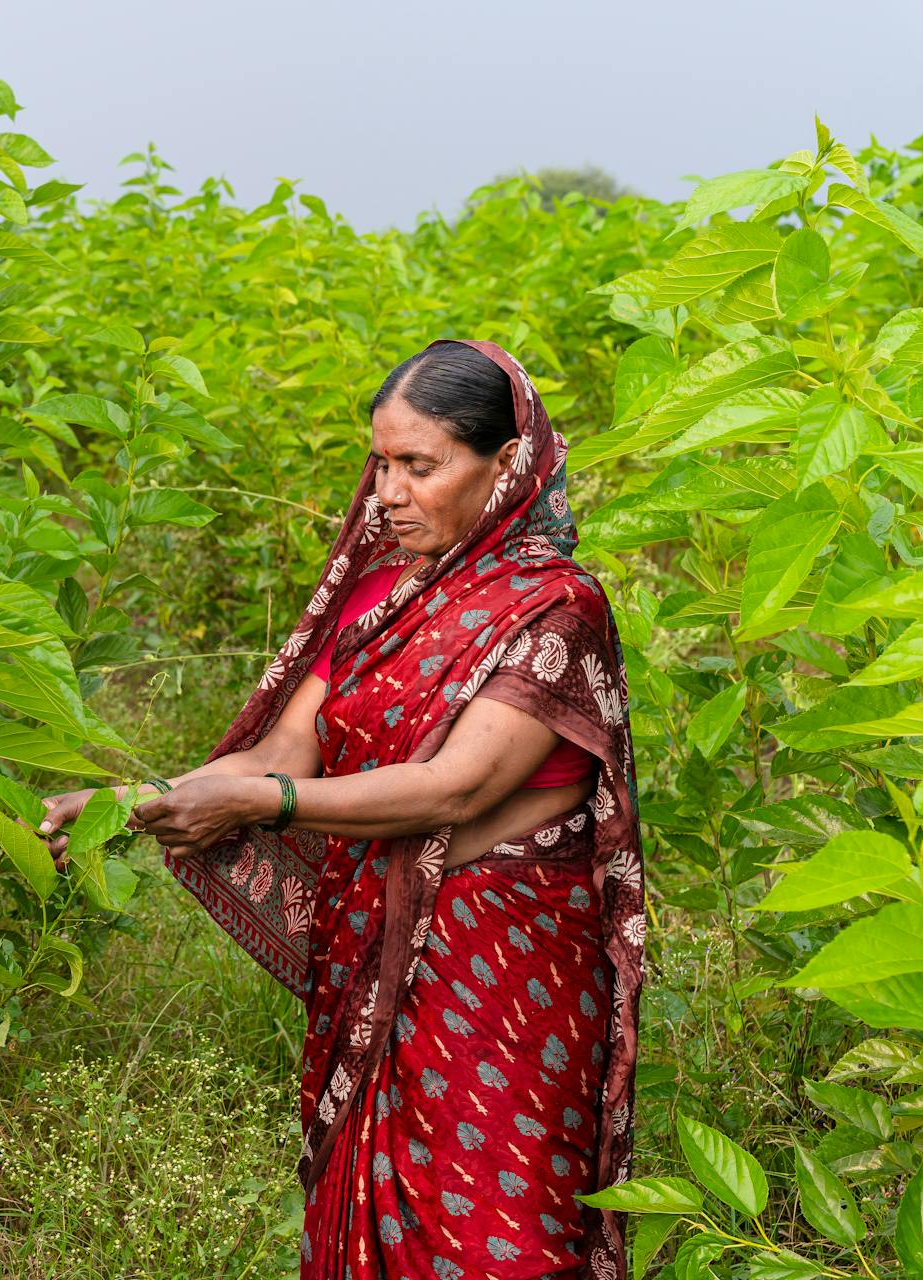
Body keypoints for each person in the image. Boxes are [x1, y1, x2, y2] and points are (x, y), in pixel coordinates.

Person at [37, 340, 644, 1280]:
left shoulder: (555, 609)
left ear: (507, 466)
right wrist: (130, 803)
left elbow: (456, 787)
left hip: (503, 979)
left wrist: (265, 803)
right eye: (381, 463)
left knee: (504, 1237)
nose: (387, 493)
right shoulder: (379, 599)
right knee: (374, 1223)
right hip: (375, 967)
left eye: (420, 466)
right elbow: (286, 751)